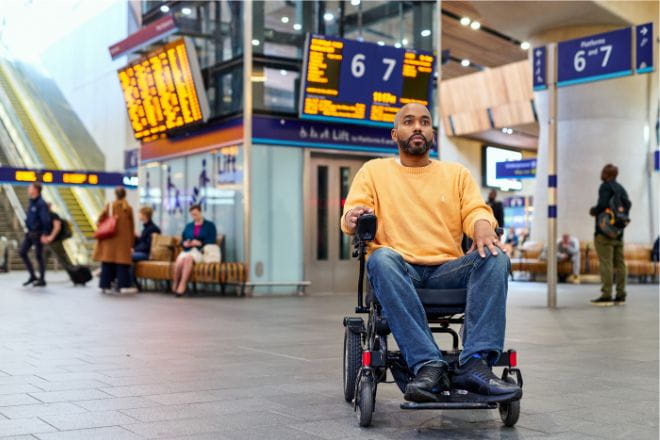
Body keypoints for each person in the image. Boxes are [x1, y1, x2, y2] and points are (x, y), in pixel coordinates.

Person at [341, 103, 520, 404]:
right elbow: (351, 214)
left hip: (446, 270)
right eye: (409, 122)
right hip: (400, 270)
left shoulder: (455, 174)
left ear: (432, 133)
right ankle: (428, 363)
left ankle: (475, 364)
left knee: (495, 256)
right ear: (395, 133)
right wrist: (352, 217)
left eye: (424, 122)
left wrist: (482, 225)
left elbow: (476, 210)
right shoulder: (374, 171)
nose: (418, 127)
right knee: (381, 258)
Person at [589, 164, 631, 306]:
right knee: (620, 263)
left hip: (604, 232)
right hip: (619, 232)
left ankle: (606, 295)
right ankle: (621, 295)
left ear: (606, 174)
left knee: (606, 262)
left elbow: (602, 205)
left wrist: (593, 210)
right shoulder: (621, 189)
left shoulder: (605, 186)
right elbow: (627, 207)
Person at [93, 187, 135, 294]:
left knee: (107, 263)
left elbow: (99, 220)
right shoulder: (128, 208)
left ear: (115, 194)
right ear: (125, 195)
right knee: (122, 263)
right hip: (123, 241)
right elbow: (132, 227)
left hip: (109, 239)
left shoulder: (110, 206)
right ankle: (123, 285)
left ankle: (104, 285)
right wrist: (131, 242)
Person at [172, 204, 217, 297]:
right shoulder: (189, 226)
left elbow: (212, 240)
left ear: (201, 212)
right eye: (192, 214)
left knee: (188, 258)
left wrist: (200, 243)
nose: (194, 216)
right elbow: (183, 239)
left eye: (196, 214)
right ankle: (176, 282)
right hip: (187, 249)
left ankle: (182, 285)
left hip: (200, 251)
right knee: (180, 261)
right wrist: (184, 243)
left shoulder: (210, 225)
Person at [20, 182, 52, 287]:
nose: (28, 189)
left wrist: (45, 234)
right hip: (30, 233)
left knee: (39, 256)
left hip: (38, 233)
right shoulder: (32, 202)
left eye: (30, 187)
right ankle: (33, 275)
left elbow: (45, 220)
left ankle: (42, 279)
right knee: (22, 252)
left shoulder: (41, 203)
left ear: (35, 190)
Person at [132, 206, 161, 289]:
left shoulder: (153, 229)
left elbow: (148, 246)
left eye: (140, 213)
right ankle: (128, 281)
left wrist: (134, 250)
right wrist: (138, 237)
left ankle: (133, 283)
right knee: (125, 255)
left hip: (147, 254)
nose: (138, 215)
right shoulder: (146, 228)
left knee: (128, 256)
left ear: (145, 215)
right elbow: (144, 241)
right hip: (142, 251)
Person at [41, 203, 72, 267]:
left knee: (63, 259)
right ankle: (40, 274)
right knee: (43, 258)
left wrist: (51, 237)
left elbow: (57, 227)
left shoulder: (54, 215)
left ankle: (74, 273)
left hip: (55, 241)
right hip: (47, 241)